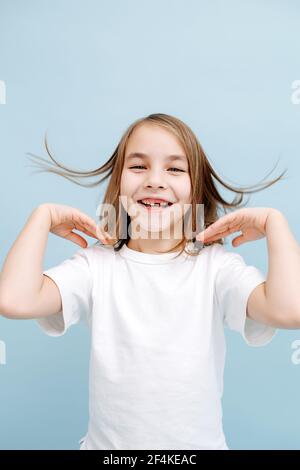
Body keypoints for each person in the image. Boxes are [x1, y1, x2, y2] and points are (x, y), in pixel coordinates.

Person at [1, 113, 300, 450]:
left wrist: (277, 225)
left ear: (196, 189)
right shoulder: (95, 267)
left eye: (175, 168)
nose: (155, 180)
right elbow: (14, 300)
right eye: (138, 166)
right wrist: (41, 218)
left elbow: (290, 310)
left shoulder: (216, 268)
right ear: (118, 183)